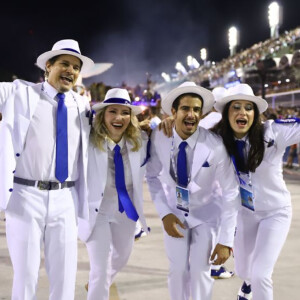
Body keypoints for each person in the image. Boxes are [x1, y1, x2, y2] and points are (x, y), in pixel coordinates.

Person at [0, 39, 94, 299]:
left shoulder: (83, 105)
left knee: (65, 277)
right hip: (25, 196)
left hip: (65, 199)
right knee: (26, 275)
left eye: (76, 67)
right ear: (48, 66)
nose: (71, 71)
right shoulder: (21, 93)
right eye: (65, 64)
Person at [145, 81, 239, 300]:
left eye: (196, 109)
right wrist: (164, 213)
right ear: (173, 112)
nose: (191, 114)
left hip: (207, 215)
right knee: (176, 271)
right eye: (185, 108)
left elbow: (231, 191)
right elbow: (151, 176)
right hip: (175, 213)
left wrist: (226, 240)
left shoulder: (214, 144)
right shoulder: (159, 137)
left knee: (200, 272)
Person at [211, 83, 299, 300]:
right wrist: (166, 124)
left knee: (261, 274)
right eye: (236, 107)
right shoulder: (216, 139)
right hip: (245, 214)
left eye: (248, 108)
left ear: (255, 113)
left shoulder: (273, 132)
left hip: (275, 212)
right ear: (226, 113)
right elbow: (184, 135)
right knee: (244, 271)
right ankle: (247, 285)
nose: (242, 112)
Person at [78, 88, 149, 300]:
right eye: (113, 111)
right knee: (100, 267)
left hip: (125, 211)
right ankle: (98, 287)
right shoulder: (87, 139)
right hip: (96, 210)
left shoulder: (142, 141)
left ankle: (97, 284)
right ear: (103, 115)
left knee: (122, 257)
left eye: (125, 112)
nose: (119, 117)